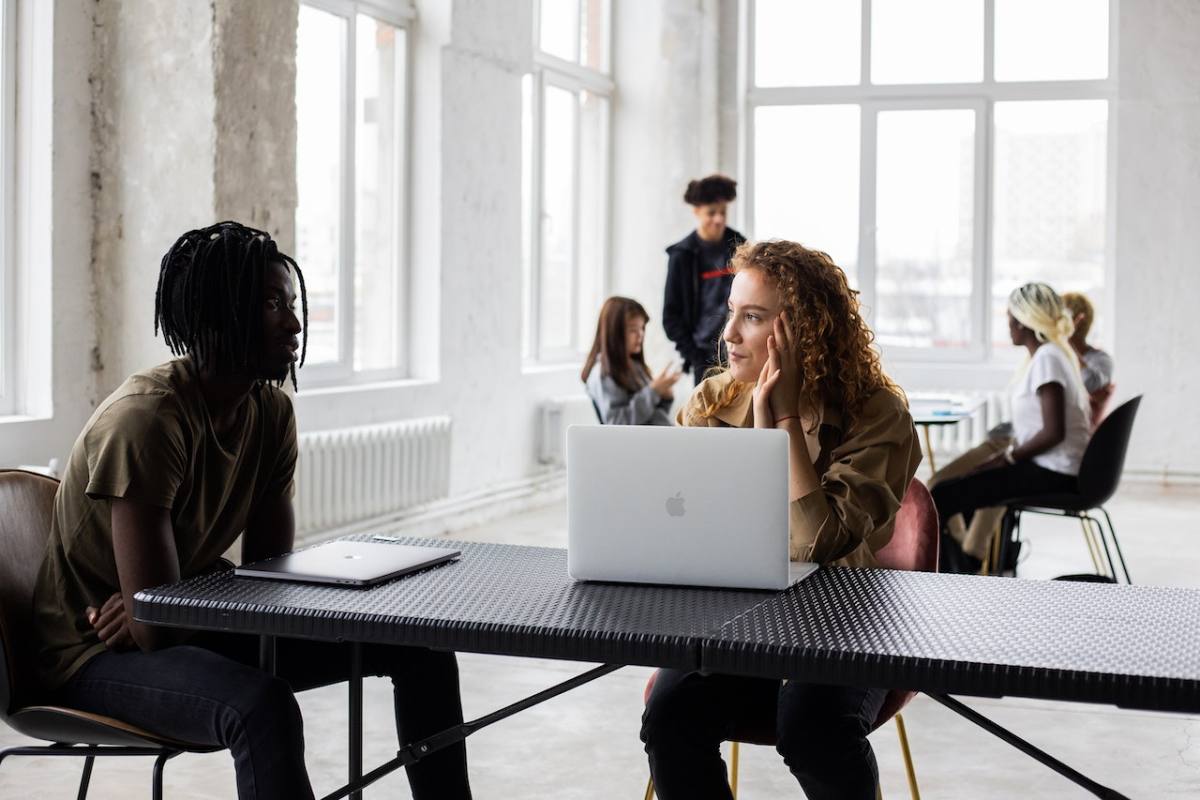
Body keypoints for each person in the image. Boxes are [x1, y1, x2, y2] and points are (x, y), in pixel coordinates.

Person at [32, 222, 472, 800]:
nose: (294, 323)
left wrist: (198, 586)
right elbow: (155, 628)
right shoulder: (147, 421)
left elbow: (269, 586)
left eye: (291, 304)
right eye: (271, 304)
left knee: (424, 650)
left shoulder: (271, 416)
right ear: (220, 315)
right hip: (86, 658)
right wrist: (189, 594)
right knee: (259, 704)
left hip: (170, 630)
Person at [641, 240, 922, 800]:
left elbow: (817, 543)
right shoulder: (713, 400)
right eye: (731, 313)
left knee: (812, 727)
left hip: (847, 617)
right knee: (671, 716)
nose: (729, 336)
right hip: (739, 615)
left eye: (752, 317)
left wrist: (785, 420)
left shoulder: (879, 415)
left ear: (804, 331)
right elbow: (680, 521)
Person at [931, 283, 1092, 574]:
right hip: (1052, 469)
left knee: (942, 496)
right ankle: (965, 566)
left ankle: (961, 571)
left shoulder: (1047, 360)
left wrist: (1006, 459)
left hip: (1052, 473)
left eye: (1010, 318)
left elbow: (1054, 432)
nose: (1008, 326)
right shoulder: (1052, 355)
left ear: (1024, 321)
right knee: (957, 488)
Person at [662, 174, 745, 384]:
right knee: (708, 416)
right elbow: (671, 317)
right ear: (696, 211)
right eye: (711, 213)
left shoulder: (740, 245)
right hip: (704, 357)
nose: (719, 219)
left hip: (741, 347)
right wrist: (695, 356)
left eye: (723, 212)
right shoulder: (682, 255)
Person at [582, 296, 682, 425]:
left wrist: (665, 398)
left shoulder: (636, 366)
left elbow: (651, 417)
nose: (640, 335)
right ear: (614, 332)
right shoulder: (604, 373)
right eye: (633, 330)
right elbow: (617, 423)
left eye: (642, 328)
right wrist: (653, 391)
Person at [1062, 291, 1115, 428]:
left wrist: (1067, 343)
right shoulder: (1055, 356)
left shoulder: (1101, 359)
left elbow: (1089, 384)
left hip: (1076, 432)